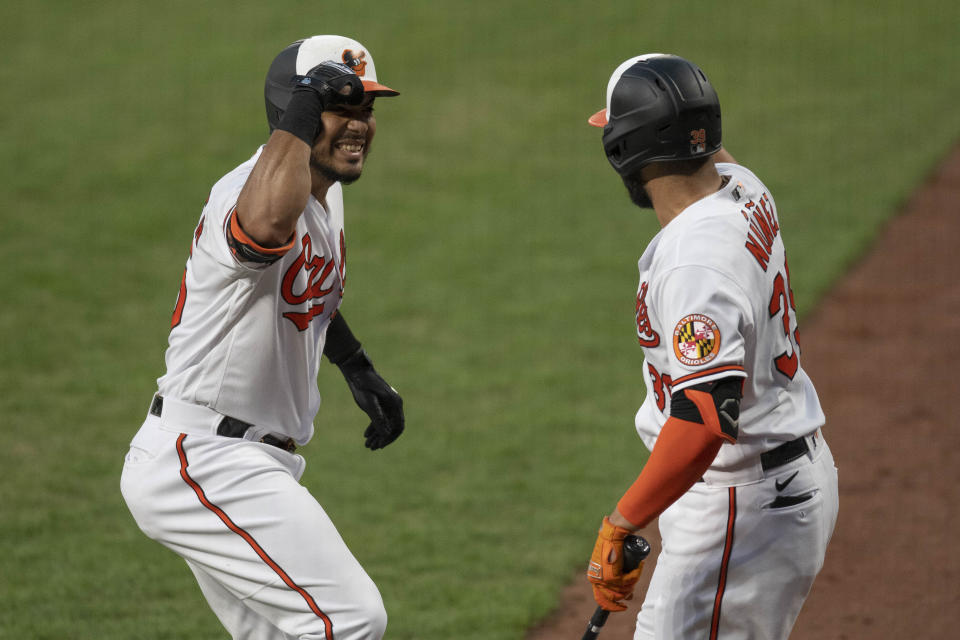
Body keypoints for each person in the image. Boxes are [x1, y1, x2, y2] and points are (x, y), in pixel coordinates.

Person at [121, 35, 404, 640]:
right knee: (349, 619)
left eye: (367, 110)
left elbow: (306, 290)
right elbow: (263, 234)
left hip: (244, 458)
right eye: (340, 107)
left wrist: (356, 365)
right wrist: (303, 109)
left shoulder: (320, 193)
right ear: (294, 110)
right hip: (203, 459)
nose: (358, 125)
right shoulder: (254, 188)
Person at [583, 54, 839, 639]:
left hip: (740, 505)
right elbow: (707, 148)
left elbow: (702, 419)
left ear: (622, 149)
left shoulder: (695, 265)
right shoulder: (743, 186)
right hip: (772, 481)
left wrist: (622, 523)